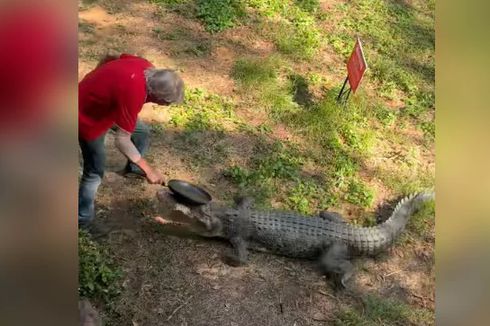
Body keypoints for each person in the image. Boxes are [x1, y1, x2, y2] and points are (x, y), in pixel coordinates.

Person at [78, 53, 184, 228]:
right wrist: (149, 169)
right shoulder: (134, 93)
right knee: (94, 172)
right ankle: (83, 220)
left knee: (142, 132)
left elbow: (110, 56)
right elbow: (122, 140)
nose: (165, 105)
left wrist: (99, 79)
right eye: (166, 102)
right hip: (86, 116)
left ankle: (133, 169)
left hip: (108, 106)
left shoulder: (145, 66)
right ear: (156, 97)